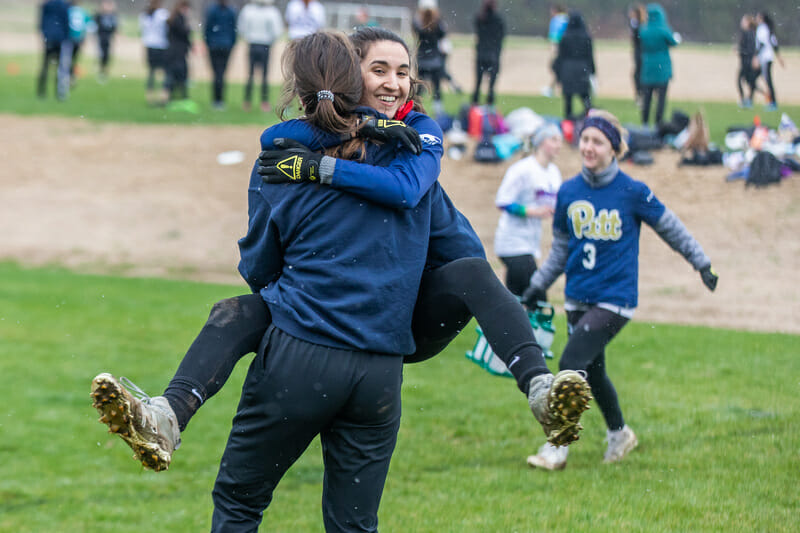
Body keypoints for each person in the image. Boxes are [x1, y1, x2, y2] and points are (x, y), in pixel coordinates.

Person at [90, 27, 592, 477]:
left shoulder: (417, 142)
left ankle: (540, 389)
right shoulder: (307, 147)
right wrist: (357, 133)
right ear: (350, 78)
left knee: (472, 273)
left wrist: (330, 161)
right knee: (236, 311)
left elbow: (400, 190)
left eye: (403, 72)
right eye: (379, 70)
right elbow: (280, 137)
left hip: (408, 315)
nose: (395, 82)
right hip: (344, 326)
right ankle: (168, 414)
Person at [522, 110, 719, 470]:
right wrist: (537, 285)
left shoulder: (633, 191)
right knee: (593, 372)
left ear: (614, 149)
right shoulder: (568, 192)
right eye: (584, 139)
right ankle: (619, 433)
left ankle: (558, 447)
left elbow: (671, 229)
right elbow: (561, 251)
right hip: (577, 296)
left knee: (570, 364)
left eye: (597, 141)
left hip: (616, 299)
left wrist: (702, 263)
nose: (589, 147)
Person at [494, 124, 563, 297]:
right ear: (541, 142)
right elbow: (502, 201)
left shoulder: (554, 173)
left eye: (560, 141)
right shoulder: (522, 169)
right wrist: (532, 211)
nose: (558, 145)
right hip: (512, 243)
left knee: (515, 299)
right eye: (554, 140)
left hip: (531, 244)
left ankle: (505, 323)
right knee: (538, 298)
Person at [238, 0, 283, 112]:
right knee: (263, 75)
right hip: (264, 45)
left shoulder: (248, 10)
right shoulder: (272, 11)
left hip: (254, 44)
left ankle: (248, 101)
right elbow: (277, 31)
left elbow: (242, 28)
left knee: (251, 75)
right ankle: (263, 102)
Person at [638, 3, 678, 127]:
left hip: (648, 67)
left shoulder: (644, 30)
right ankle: (658, 123)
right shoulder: (663, 29)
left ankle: (645, 123)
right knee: (661, 99)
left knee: (647, 99)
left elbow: (640, 42)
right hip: (662, 68)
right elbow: (673, 42)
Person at [553, 10, 595, 120]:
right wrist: (593, 72)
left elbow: (560, 57)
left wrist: (558, 74)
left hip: (567, 70)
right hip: (582, 69)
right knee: (586, 99)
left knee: (568, 101)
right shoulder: (586, 37)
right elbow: (590, 56)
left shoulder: (565, 37)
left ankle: (568, 123)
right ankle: (591, 118)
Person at [413, 0, 448, 114]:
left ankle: (415, 109)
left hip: (422, 60)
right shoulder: (438, 23)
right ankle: (439, 112)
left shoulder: (419, 23)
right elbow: (443, 34)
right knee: (437, 88)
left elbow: (415, 28)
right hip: (435, 60)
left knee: (420, 88)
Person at [204, 0, 237, 110]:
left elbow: (207, 28)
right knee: (221, 73)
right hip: (225, 45)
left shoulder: (213, 10)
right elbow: (233, 30)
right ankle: (220, 99)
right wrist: (231, 43)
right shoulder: (230, 11)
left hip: (215, 45)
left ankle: (216, 99)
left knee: (217, 73)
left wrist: (209, 42)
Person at [472, 0, 505, 107]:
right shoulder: (499, 20)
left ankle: (475, 106)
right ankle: (490, 107)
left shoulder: (480, 18)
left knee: (478, 83)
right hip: (493, 55)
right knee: (491, 86)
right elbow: (501, 37)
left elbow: (478, 34)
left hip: (481, 54)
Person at [37, 0, 70, 100]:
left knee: (45, 65)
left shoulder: (46, 5)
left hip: (49, 38)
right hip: (59, 38)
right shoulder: (64, 5)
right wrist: (66, 37)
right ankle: (59, 93)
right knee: (59, 67)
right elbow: (66, 22)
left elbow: (41, 22)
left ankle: (41, 92)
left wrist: (44, 34)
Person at [139, 0, 169, 105]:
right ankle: (163, 95)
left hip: (149, 45)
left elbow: (143, 33)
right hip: (161, 45)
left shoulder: (144, 15)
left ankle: (149, 96)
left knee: (151, 72)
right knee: (165, 72)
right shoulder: (162, 14)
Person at [755, 11, 784, 112]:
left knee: (767, 81)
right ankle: (772, 102)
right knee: (767, 81)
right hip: (769, 57)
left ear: (761, 18)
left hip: (765, 58)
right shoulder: (768, 28)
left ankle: (772, 102)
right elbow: (774, 43)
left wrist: (756, 57)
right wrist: (779, 57)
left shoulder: (762, 28)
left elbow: (762, 44)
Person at [165, 0, 192, 104]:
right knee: (180, 76)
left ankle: (173, 97)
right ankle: (181, 97)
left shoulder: (173, 19)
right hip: (177, 53)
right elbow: (185, 33)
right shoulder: (178, 20)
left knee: (174, 75)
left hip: (174, 52)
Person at [542, 4, 568, 98]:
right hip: (565, 47)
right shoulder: (567, 18)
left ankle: (551, 89)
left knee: (556, 67)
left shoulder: (556, 20)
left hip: (557, 46)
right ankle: (553, 88)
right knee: (560, 68)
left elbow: (554, 36)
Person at [736, 14, 758, 109]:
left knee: (740, 80)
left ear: (748, 22)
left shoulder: (747, 33)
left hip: (746, 61)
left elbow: (749, 49)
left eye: (743, 21)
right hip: (748, 61)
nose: (742, 23)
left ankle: (745, 100)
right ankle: (749, 100)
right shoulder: (753, 33)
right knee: (750, 82)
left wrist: (740, 51)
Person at [94, 0, 118, 81]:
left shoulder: (112, 16)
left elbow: (115, 27)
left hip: (108, 39)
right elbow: (94, 26)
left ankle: (105, 72)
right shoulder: (99, 15)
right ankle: (101, 72)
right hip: (100, 38)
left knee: (107, 56)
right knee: (101, 55)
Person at [627, 3, 646, 105]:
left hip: (640, 53)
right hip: (639, 52)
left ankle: (641, 95)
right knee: (638, 74)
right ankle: (641, 95)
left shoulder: (638, 26)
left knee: (638, 75)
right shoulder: (637, 25)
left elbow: (636, 39)